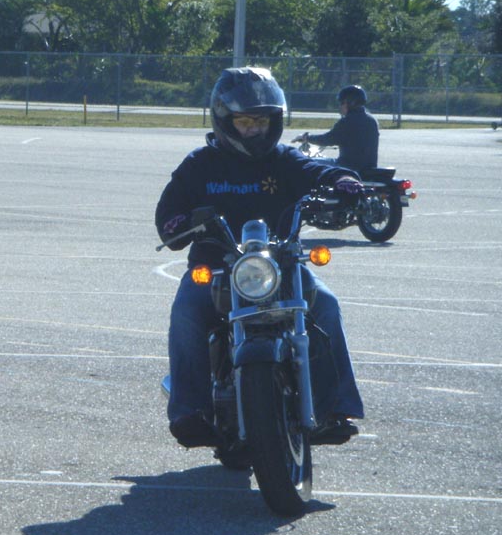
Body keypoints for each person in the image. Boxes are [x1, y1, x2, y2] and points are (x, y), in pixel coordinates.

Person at [155, 67, 365, 449]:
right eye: (246, 121)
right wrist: (177, 223)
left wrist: (342, 181)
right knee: (186, 311)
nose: (255, 130)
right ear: (225, 120)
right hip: (216, 269)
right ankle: (189, 411)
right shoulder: (200, 165)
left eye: (263, 121)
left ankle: (335, 408)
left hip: (280, 266)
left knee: (326, 304)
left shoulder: (284, 160)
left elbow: (316, 170)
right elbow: (169, 210)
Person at [292, 84, 379, 176]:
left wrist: (306, 137)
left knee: (307, 164)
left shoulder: (347, 121)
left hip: (346, 167)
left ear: (350, 103)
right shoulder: (372, 121)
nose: (340, 106)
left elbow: (327, 139)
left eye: (342, 103)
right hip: (368, 170)